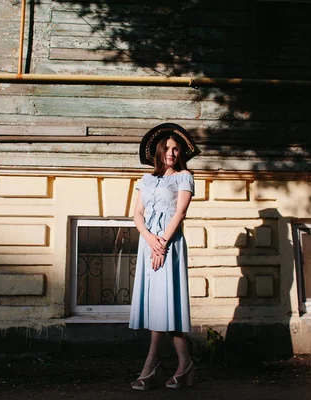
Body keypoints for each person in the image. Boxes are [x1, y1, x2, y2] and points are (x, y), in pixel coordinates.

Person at [128, 123, 201, 391]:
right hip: (149, 244)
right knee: (162, 305)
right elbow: (137, 214)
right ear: (158, 152)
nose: (171, 152)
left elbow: (180, 212)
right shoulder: (146, 180)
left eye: (175, 148)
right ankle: (186, 365)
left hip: (170, 243)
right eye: (167, 148)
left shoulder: (184, 177)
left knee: (165, 304)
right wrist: (150, 241)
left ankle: (151, 365)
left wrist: (162, 243)